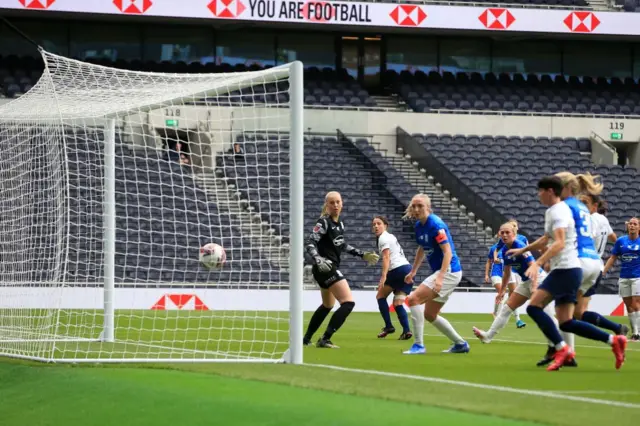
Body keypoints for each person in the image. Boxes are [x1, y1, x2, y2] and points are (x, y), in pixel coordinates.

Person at [508, 176, 626, 371]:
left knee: (536, 306)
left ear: (560, 189)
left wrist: (540, 261)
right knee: (569, 318)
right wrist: (525, 251)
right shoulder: (582, 207)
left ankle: (561, 349)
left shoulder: (563, 208)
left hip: (574, 262)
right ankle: (612, 338)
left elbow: (553, 239)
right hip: (594, 262)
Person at [302, 191, 379, 348]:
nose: (335, 205)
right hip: (326, 268)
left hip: (326, 268)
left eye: (338, 202)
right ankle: (325, 338)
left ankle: (306, 338)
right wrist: (317, 258)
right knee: (348, 303)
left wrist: (361, 254)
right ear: (327, 205)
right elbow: (310, 241)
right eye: (332, 202)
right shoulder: (323, 222)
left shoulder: (340, 224)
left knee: (327, 305)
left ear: (342, 203)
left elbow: (342, 245)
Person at [402, 194, 470, 354]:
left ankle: (418, 345)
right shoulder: (419, 225)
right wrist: (413, 271)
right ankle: (460, 344)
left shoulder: (436, 224)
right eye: (414, 206)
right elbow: (422, 248)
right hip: (447, 272)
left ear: (428, 207)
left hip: (449, 271)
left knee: (412, 299)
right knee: (430, 314)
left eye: (420, 206)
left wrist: (440, 278)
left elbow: (448, 253)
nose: (416, 209)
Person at [473, 222, 551, 344]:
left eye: (507, 232)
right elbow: (507, 273)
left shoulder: (519, 245)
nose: (504, 235)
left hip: (538, 279)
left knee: (545, 313)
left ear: (513, 234)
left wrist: (535, 286)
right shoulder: (504, 251)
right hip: (526, 282)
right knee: (506, 309)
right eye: (502, 232)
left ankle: (557, 343)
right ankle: (488, 336)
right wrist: (502, 291)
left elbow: (534, 266)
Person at [372, 216, 413, 340]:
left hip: (396, 269)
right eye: (373, 224)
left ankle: (389, 326)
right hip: (407, 269)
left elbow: (386, 257)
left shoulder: (383, 238)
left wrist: (383, 276)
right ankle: (406, 331)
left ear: (385, 225)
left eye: (379, 223)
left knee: (380, 296)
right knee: (398, 303)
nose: (375, 226)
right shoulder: (391, 236)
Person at [604, 217, 640, 341]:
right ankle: (634, 331)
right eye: (630, 224)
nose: (632, 226)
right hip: (624, 276)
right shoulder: (620, 241)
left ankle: (637, 332)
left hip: (638, 277)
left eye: (635, 224)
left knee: (636, 304)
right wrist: (604, 271)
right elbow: (613, 257)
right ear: (627, 226)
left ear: (639, 227)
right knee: (628, 305)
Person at [485, 239, 526, 328]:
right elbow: (488, 261)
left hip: (508, 274)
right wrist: (486, 275)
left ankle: (518, 320)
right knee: (501, 293)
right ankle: (497, 315)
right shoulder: (493, 248)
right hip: (496, 273)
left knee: (513, 295)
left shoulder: (509, 249)